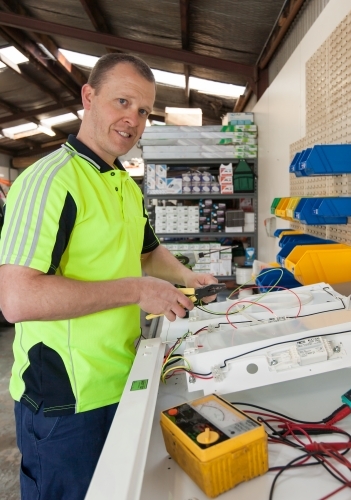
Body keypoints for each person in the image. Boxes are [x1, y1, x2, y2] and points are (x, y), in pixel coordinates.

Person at [0, 53, 218, 500]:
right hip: (65, 400)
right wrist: (137, 291)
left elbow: (147, 250)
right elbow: (17, 298)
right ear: (89, 97)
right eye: (122, 101)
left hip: (123, 377)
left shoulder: (121, 183)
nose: (132, 119)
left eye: (142, 111)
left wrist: (188, 279)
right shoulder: (50, 180)